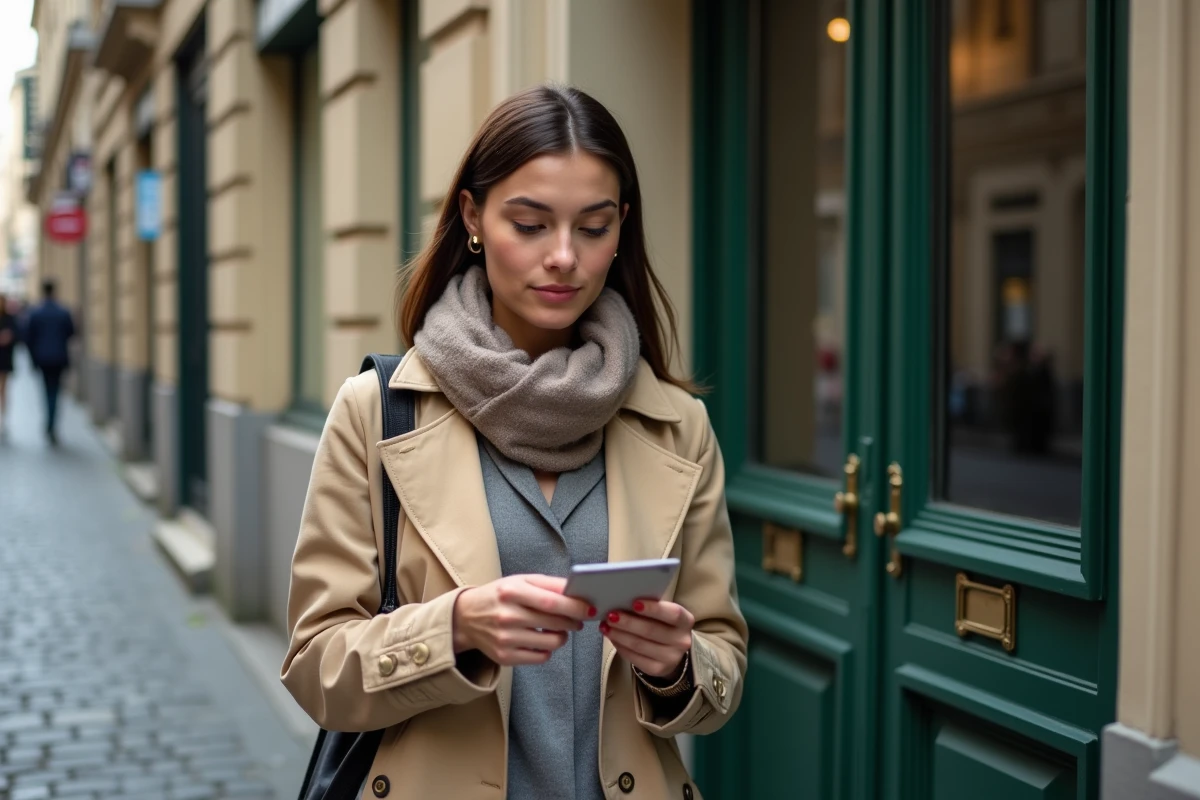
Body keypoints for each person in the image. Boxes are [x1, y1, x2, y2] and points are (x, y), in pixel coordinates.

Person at [282, 84, 748, 799]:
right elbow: (317, 668)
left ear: (621, 228)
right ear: (473, 216)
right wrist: (455, 628)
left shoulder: (678, 426)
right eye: (529, 224)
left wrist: (678, 663)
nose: (563, 256)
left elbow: (723, 667)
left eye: (593, 227)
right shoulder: (377, 412)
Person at [24, 279, 76, 445]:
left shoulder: (35, 312)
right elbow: (71, 332)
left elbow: (28, 338)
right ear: (54, 291)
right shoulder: (63, 311)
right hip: (59, 357)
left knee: (46, 390)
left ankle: (49, 423)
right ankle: (52, 424)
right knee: (55, 391)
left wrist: (33, 358)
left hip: (42, 358)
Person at [0, 293, 16, 436]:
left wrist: (9, 337)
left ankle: (3, 417)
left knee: (3, 389)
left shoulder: (9, 319)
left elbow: (15, 336)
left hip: (4, 359)